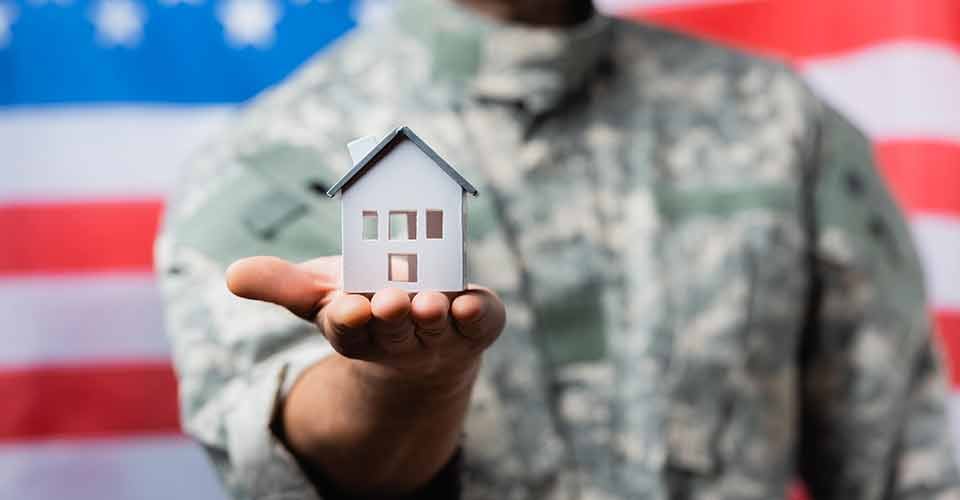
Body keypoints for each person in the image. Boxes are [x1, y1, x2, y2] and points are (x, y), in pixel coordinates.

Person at [155, 0, 960, 498]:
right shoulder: (278, 150)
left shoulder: (780, 122)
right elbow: (292, 466)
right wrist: (411, 383)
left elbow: (907, 465)